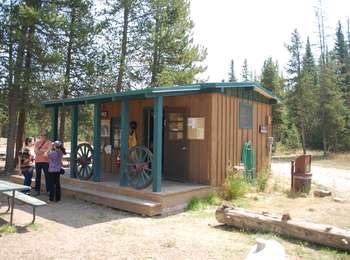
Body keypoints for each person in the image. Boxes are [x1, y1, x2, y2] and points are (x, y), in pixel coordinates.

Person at [34, 129, 52, 196]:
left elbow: (48, 151)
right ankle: (37, 190)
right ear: (40, 135)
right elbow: (35, 152)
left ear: (46, 136)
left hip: (46, 161)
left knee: (47, 176)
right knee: (37, 176)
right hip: (38, 161)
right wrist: (44, 150)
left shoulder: (49, 142)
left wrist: (41, 150)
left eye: (44, 135)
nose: (43, 136)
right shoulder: (37, 142)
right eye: (42, 135)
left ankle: (48, 190)